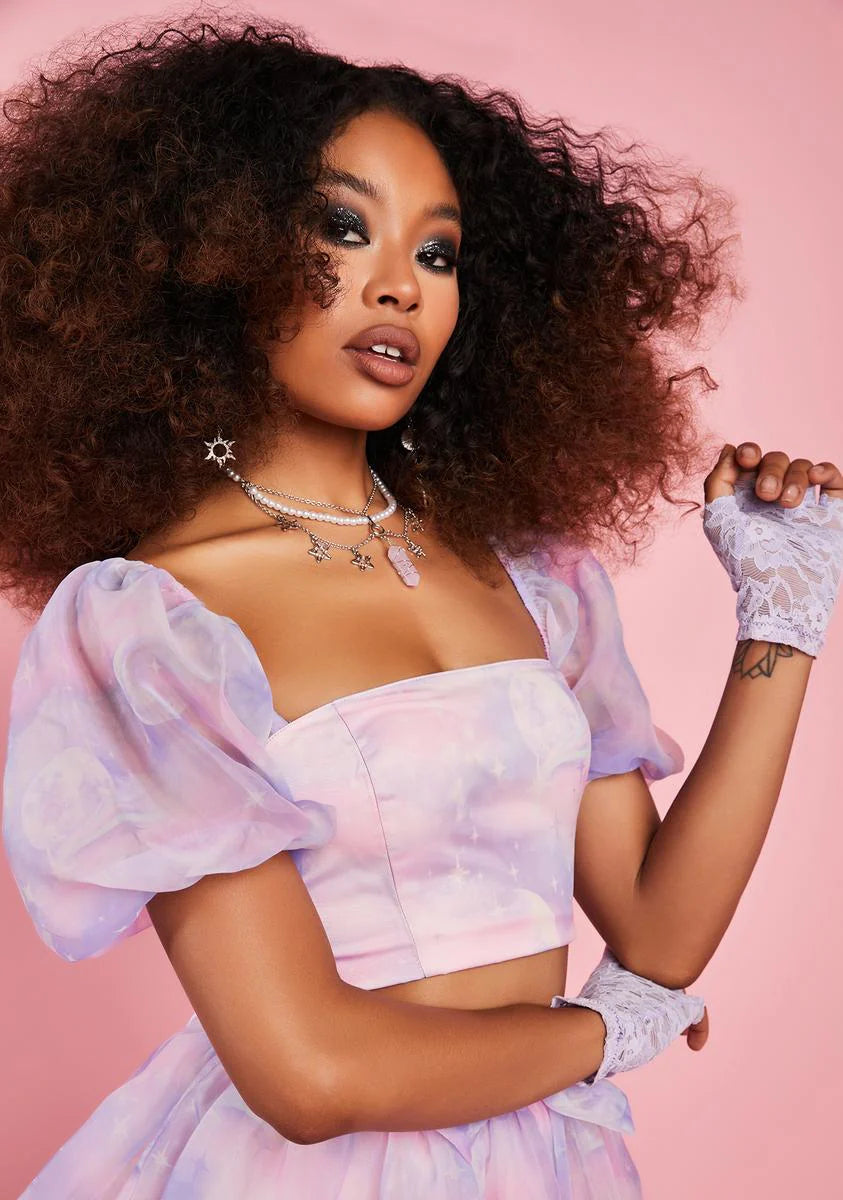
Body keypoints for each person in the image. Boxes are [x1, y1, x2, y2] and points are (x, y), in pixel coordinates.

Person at [2, 15, 841, 1199]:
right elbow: (309, 1075)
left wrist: (785, 612)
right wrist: (602, 1034)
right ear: (215, 254)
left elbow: (659, 930)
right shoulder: (155, 624)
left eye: (438, 253)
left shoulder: (533, 580)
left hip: (544, 1160)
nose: (400, 284)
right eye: (344, 231)